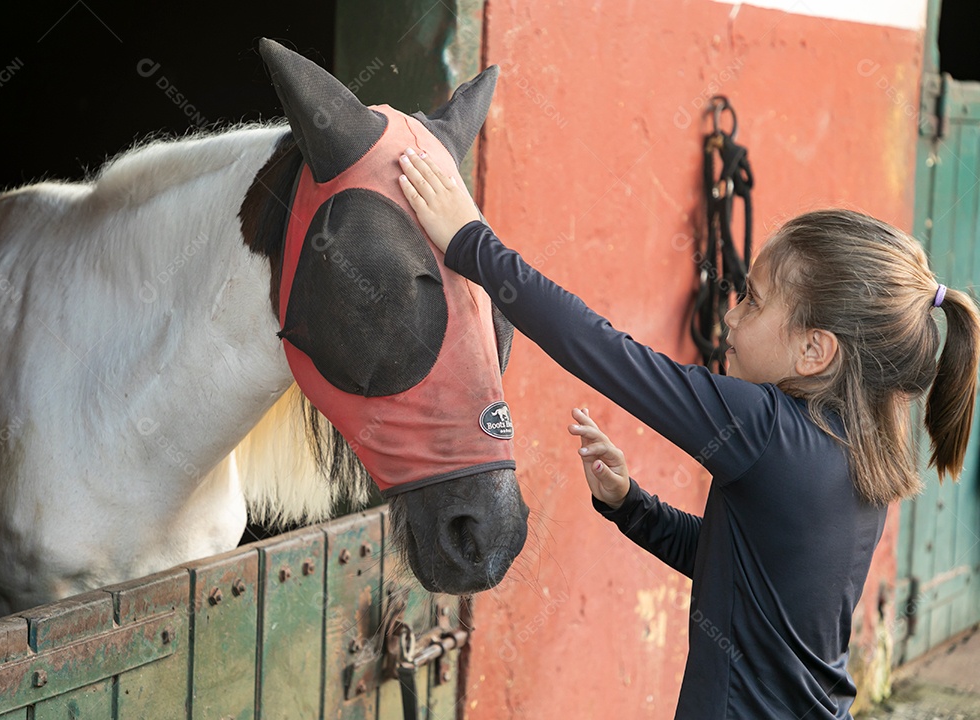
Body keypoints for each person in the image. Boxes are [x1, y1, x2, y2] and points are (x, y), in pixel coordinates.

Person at [395, 147, 980, 718]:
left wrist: (469, 240)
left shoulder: (764, 428)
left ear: (813, 349)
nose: (730, 315)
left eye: (753, 301)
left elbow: (602, 352)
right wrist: (632, 506)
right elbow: (738, 577)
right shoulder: (861, 450)